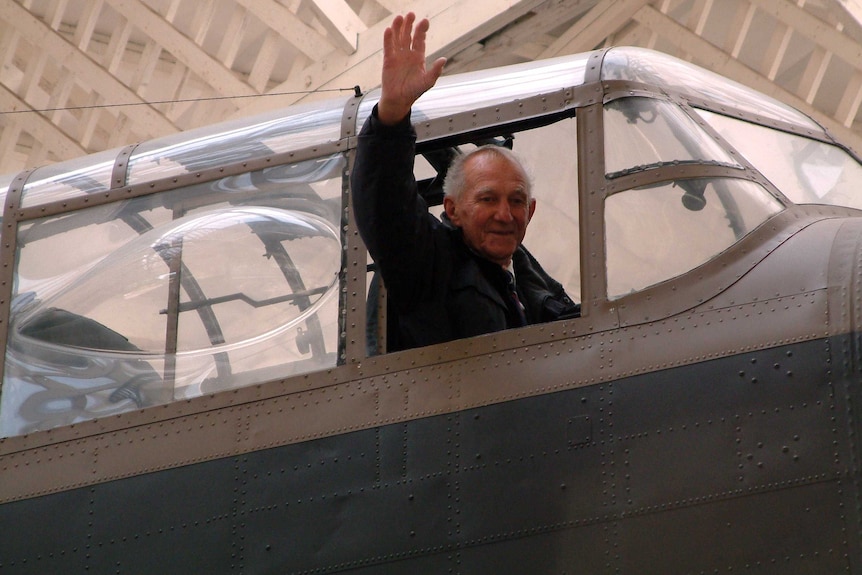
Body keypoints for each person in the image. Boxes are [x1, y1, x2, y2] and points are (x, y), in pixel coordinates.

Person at [352, 12, 578, 351]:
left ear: (530, 211)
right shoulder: (427, 264)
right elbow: (386, 207)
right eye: (487, 199)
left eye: (516, 201)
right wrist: (392, 114)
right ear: (453, 210)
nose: (505, 214)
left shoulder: (537, 289)